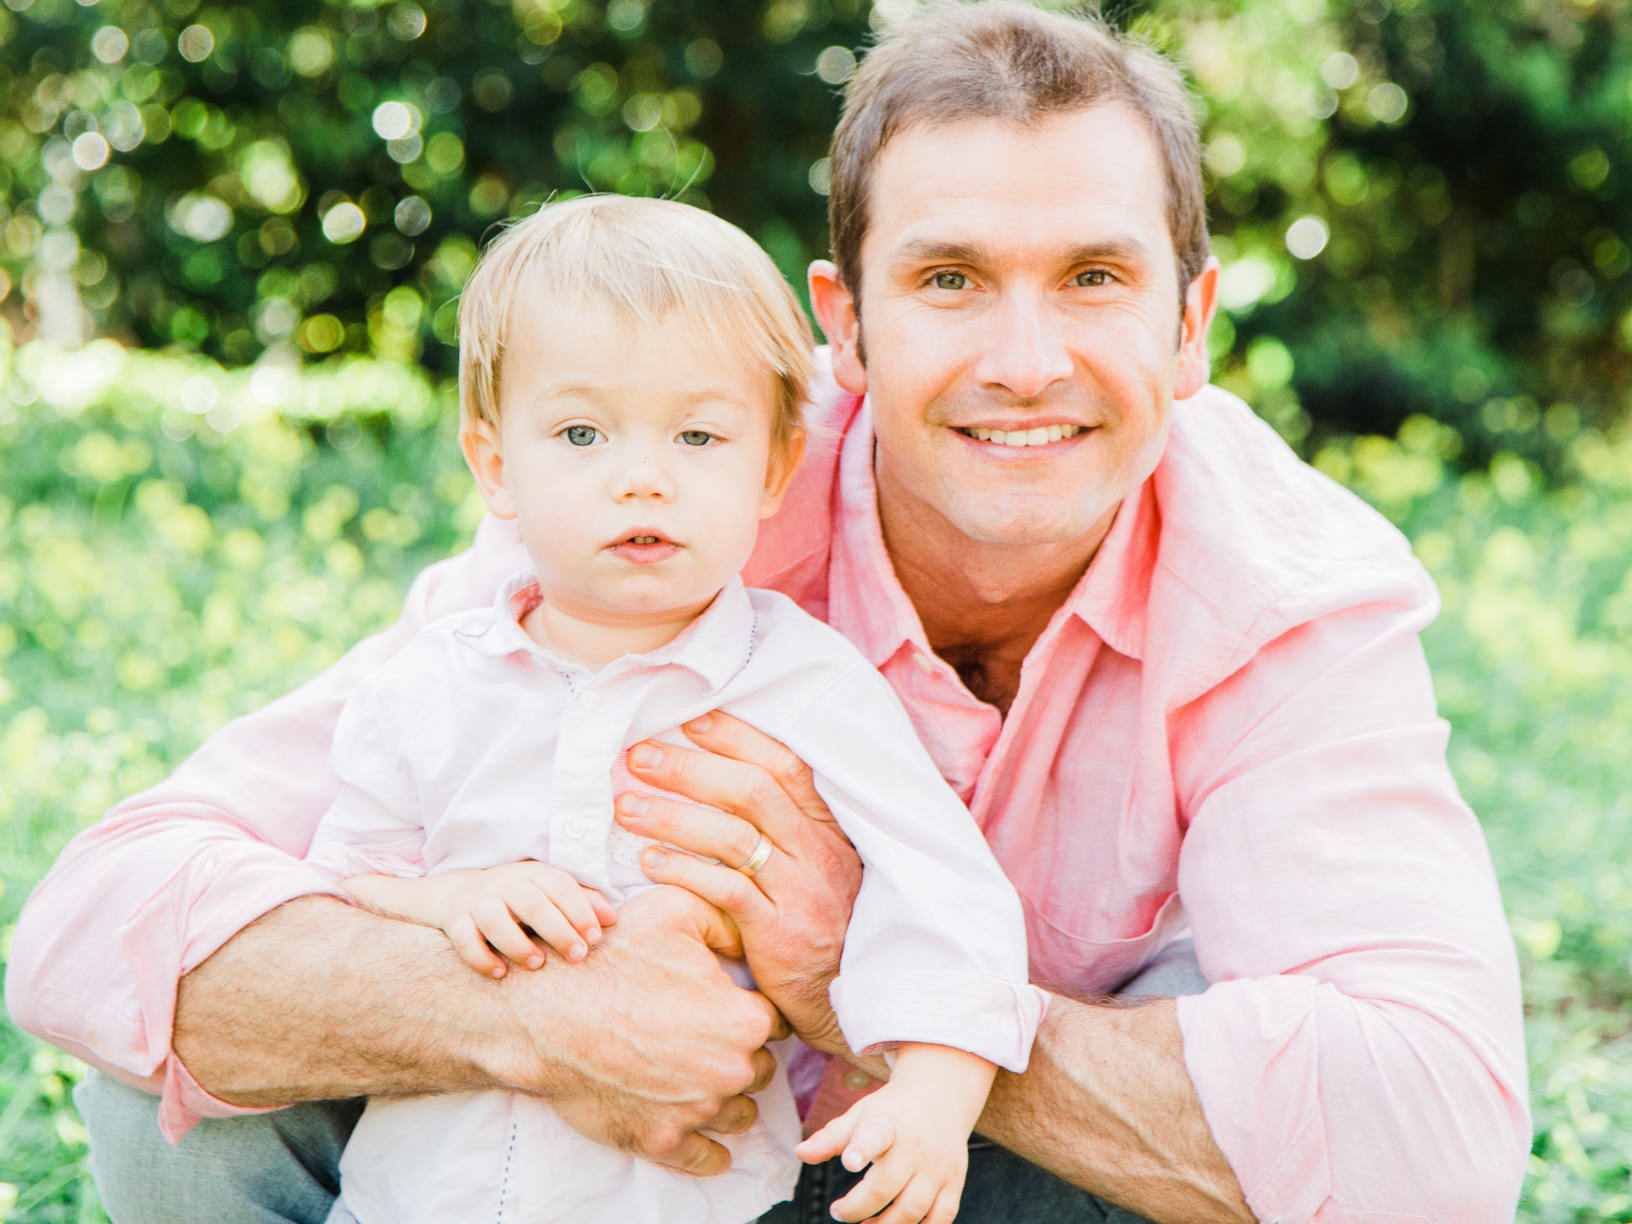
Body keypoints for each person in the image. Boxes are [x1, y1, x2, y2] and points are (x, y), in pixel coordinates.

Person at [5, 4, 1530, 1222]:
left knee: (1226, 1037)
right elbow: (95, 924)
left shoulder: (1288, 596)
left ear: (1189, 325)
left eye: (1091, 277)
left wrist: (866, 973)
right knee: (181, 1068)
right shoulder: (669, 499)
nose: (1023, 358)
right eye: (947, 278)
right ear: (842, 327)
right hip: (614, 1158)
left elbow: (1440, 1138)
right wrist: (527, 1018)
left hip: (959, 1177)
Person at [303, 192, 1043, 1224]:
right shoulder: (429, 685)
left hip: (689, 1201)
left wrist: (933, 1091)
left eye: (698, 436)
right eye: (580, 433)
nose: (642, 479)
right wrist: (448, 904)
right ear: (494, 463)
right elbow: (338, 890)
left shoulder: (808, 688)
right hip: (424, 1196)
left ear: (775, 465)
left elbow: (948, 895)